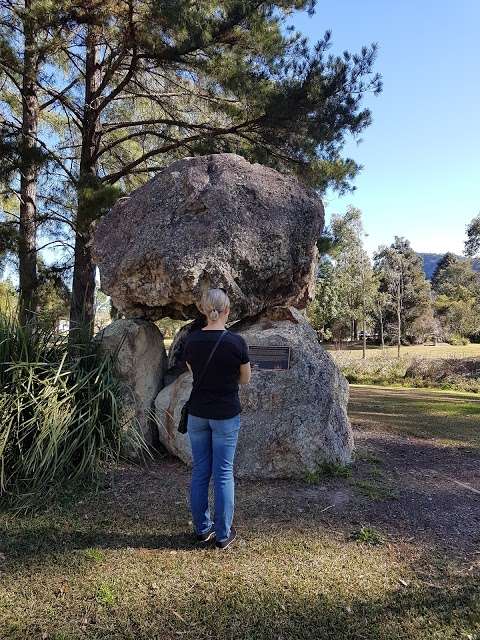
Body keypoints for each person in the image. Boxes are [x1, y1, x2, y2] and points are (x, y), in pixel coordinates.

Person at [184, 288, 251, 550]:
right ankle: (223, 535)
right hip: (225, 414)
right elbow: (245, 379)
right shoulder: (236, 343)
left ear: (204, 309)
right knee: (223, 474)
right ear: (227, 311)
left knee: (201, 471)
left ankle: (202, 529)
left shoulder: (191, 341)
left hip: (198, 413)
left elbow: (193, 371)